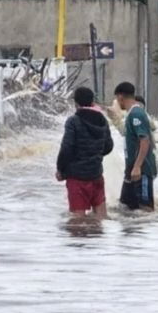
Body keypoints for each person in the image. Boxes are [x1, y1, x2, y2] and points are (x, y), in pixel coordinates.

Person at [56, 87, 115, 218]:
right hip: (96, 174)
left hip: (77, 177)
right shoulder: (102, 120)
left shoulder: (73, 121)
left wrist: (60, 169)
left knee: (78, 221)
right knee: (101, 217)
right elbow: (109, 146)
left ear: (76, 103)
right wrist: (95, 154)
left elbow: (67, 148)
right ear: (92, 101)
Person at [113, 82, 156, 212]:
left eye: (116, 99)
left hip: (141, 170)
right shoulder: (130, 114)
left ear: (120, 97)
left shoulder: (137, 114)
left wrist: (137, 166)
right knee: (125, 208)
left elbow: (145, 140)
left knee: (145, 210)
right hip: (131, 169)